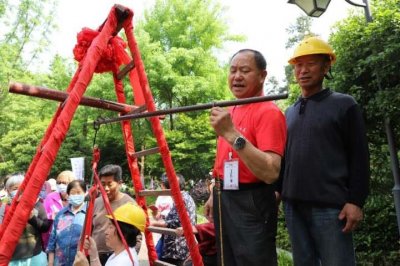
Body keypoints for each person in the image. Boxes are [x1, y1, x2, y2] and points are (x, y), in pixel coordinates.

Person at [280, 36, 370, 266]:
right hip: (293, 207)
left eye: (310, 63)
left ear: (326, 66)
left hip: (331, 208)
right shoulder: (289, 112)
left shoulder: (344, 104)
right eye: (299, 65)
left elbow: (360, 156)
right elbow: (285, 158)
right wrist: (278, 191)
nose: (303, 70)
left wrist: (356, 201)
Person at [204, 49, 287, 265]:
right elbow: (222, 158)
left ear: (262, 75)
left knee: (253, 260)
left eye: (245, 70)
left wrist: (232, 134)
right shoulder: (230, 110)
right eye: (232, 70)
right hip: (224, 195)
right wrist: (215, 191)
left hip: (252, 199)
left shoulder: (268, 111)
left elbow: (271, 172)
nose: (237, 76)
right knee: (227, 259)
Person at [91, 164, 140, 265]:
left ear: (119, 183)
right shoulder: (95, 203)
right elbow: (89, 229)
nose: (106, 188)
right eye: (103, 184)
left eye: (110, 184)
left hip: (119, 256)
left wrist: (126, 258)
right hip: (96, 255)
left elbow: (136, 236)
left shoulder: (129, 204)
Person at [0, 173, 51, 265]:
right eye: (15, 189)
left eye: (22, 188)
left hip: (35, 255)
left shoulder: (37, 205)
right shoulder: (4, 208)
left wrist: (32, 218)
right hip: (12, 258)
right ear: (8, 191)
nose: (19, 191)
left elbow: (45, 227)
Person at [73, 202, 145, 266]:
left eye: (110, 227)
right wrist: (94, 255)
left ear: (124, 232)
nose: (106, 232)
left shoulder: (124, 262)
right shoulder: (120, 254)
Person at [150, 173, 196, 266]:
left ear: (164, 187)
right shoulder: (182, 197)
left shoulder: (182, 199)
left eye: (162, 185)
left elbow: (176, 222)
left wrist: (154, 223)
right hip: (175, 246)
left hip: (176, 248)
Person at [47, 180, 87, 266]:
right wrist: (50, 262)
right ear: (68, 195)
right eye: (73, 193)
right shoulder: (61, 214)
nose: (76, 195)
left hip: (80, 262)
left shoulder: (90, 214)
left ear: (85, 193)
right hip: (60, 262)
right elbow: (52, 238)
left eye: (79, 192)